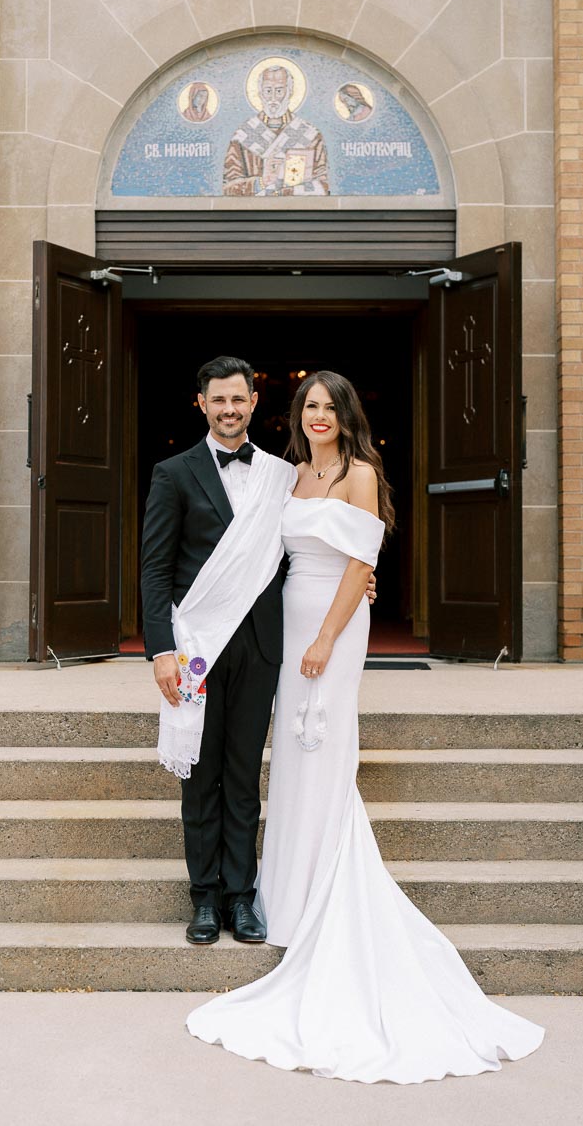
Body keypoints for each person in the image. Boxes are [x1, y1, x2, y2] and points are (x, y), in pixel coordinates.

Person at [186, 371, 546, 1083]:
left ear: (348, 414)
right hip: (287, 613)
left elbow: (360, 565)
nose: (318, 416)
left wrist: (325, 637)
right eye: (309, 406)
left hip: (333, 625)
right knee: (288, 758)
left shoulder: (359, 473)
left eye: (329, 407)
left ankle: (322, 898)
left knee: (321, 749)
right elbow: (262, 552)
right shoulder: (289, 475)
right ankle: (280, 901)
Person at [140, 357, 375, 947]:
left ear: (253, 402)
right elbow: (154, 570)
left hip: (268, 643)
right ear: (202, 404)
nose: (229, 410)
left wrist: (362, 583)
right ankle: (203, 898)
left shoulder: (280, 475)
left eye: (238, 400)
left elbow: (333, 545)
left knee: (245, 773)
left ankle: (243, 898)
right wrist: (161, 650)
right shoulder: (173, 473)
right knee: (202, 773)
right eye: (218, 400)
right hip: (198, 646)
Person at [222, 64, 329, 196]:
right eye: (268, 90)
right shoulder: (242, 135)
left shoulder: (310, 135)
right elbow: (228, 189)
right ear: (260, 93)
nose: (273, 98)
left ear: (290, 92)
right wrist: (261, 183)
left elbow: (323, 186)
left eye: (279, 91)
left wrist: (288, 188)